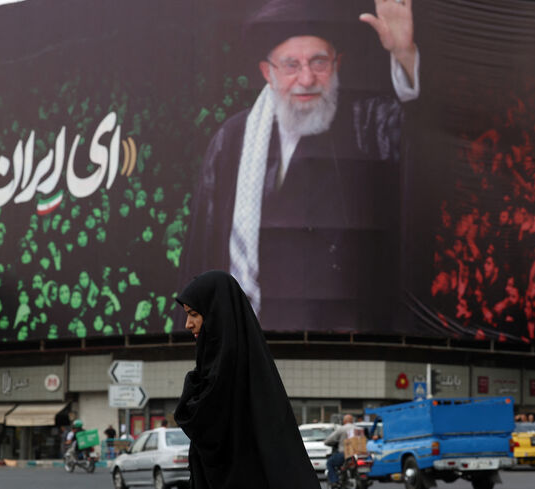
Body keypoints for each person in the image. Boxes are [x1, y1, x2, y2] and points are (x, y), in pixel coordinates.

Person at [180, 0, 419, 332]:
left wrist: (405, 55)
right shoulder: (233, 139)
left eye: (318, 62)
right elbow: (203, 248)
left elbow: (422, 136)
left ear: (337, 65)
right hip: (247, 336)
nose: (306, 78)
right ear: (269, 72)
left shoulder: (368, 122)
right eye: (291, 65)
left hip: (346, 340)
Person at [173, 271, 319, 489]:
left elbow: (205, 422)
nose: (188, 324)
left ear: (216, 314)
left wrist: (193, 392)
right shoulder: (220, 367)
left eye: (194, 314)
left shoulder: (231, 371)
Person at [324, 414, 360, 488]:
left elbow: (328, 440)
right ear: (352, 421)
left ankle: (334, 481)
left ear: (344, 421)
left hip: (345, 454)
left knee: (329, 463)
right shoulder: (358, 429)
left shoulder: (342, 429)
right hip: (358, 455)